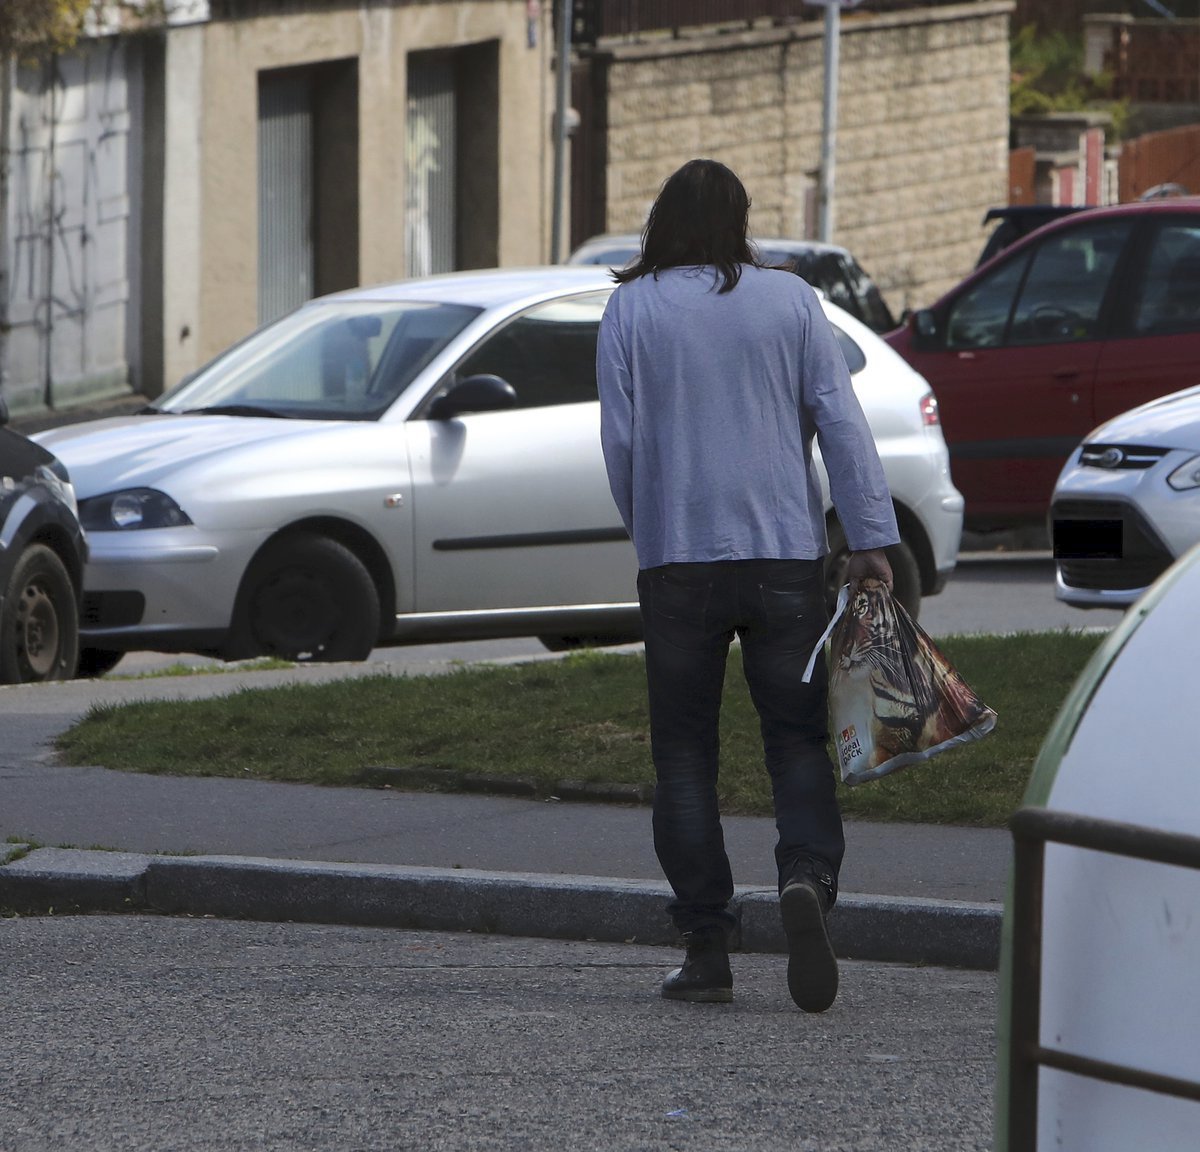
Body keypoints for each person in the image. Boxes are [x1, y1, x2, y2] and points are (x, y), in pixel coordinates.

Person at [595, 158, 898, 1013]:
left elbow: (620, 444)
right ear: (740, 219)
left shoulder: (631, 308)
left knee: (684, 753)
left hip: (678, 560)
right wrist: (870, 538)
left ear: (661, 222)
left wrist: (648, 530)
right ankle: (805, 876)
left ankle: (706, 946)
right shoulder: (791, 301)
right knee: (797, 740)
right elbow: (840, 420)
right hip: (783, 559)